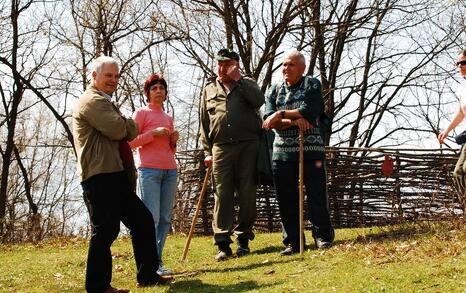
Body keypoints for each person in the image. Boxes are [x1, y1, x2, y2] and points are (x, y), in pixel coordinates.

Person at [72, 56, 172, 293]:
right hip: (99, 176)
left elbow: (121, 128)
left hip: (114, 174)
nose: (113, 80)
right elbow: (120, 129)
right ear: (94, 76)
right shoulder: (91, 101)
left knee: (142, 221)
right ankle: (97, 287)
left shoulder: (104, 101)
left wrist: (124, 123)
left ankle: (147, 276)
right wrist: (127, 123)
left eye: (116, 76)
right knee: (105, 230)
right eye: (108, 75)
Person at [263, 49, 334, 255]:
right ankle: (293, 242)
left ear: (302, 68)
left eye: (291, 64)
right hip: (282, 153)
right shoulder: (273, 90)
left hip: (311, 150)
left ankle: (322, 236)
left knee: (316, 194)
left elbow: (311, 112)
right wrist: (293, 120)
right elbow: (269, 121)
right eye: (284, 64)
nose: (286, 68)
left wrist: (281, 114)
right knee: (286, 197)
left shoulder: (312, 84)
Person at [199, 48, 265, 261]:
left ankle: (243, 239)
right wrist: (207, 151)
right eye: (220, 64)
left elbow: (258, 101)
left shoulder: (248, 83)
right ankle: (223, 244)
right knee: (222, 194)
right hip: (220, 148)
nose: (223, 68)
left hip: (248, 146)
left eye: (227, 64)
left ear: (236, 65)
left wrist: (240, 81)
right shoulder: (209, 88)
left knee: (247, 193)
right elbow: (203, 122)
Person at [129, 74, 178, 276]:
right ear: (147, 93)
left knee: (165, 219)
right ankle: (149, 264)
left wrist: (173, 140)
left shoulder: (168, 118)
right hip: (148, 171)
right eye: (154, 88)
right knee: (152, 218)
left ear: (166, 93)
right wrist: (153, 134)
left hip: (170, 171)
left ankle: (157, 262)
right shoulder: (141, 113)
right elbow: (129, 143)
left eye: (161, 88)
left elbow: (170, 150)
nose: (158, 91)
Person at [438, 49, 466, 210]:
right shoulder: (463, 87)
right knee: (458, 173)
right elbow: (462, 112)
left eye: (463, 62)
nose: (460, 66)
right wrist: (447, 130)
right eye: (458, 63)